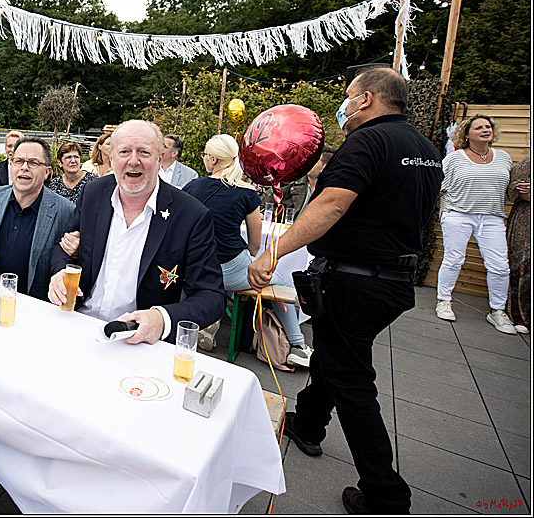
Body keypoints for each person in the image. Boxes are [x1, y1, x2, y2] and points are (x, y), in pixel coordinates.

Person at [247, 66, 442, 515]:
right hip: (392, 280)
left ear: (367, 100)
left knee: (351, 379)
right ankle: (310, 424)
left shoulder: (368, 141)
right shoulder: (425, 148)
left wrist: (272, 253)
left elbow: (333, 203)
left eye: (349, 95)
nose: (345, 105)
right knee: (334, 356)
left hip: (356, 279)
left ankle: (385, 494)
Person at [48, 120, 226, 345]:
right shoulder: (93, 193)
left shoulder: (191, 215)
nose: (133, 161)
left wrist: (162, 318)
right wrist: (59, 273)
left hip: (138, 341)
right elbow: (63, 247)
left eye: (144, 152)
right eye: (124, 152)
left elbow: (211, 296)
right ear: (111, 158)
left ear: (160, 158)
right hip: (80, 324)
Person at [183, 134, 311, 364]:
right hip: (231, 270)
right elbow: (254, 244)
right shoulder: (247, 193)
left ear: (212, 159)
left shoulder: (192, 187)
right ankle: (298, 345)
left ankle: (208, 324)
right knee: (278, 281)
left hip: (195, 270)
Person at [0, 136, 74, 301]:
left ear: (47, 172)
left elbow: (71, 258)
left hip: (32, 302)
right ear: (11, 166)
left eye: (33, 162)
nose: (24, 167)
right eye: (18, 161)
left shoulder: (65, 210)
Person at [434, 114, 517, 333]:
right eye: (479, 127)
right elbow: (438, 186)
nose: (485, 130)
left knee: (500, 265)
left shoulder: (504, 158)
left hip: (491, 217)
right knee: (454, 259)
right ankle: (444, 300)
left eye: (488, 126)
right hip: (458, 214)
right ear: (467, 134)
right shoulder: (454, 158)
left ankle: (498, 311)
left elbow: (508, 191)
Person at [505, 156, 531, 333]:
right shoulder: (528, 163)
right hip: (525, 219)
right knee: (522, 264)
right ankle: (520, 315)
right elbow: (518, 191)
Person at [48, 140, 98, 205]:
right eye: (68, 157)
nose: (73, 161)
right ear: (60, 162)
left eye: (76, 157)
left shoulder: (93, 181)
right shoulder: (55, 184)